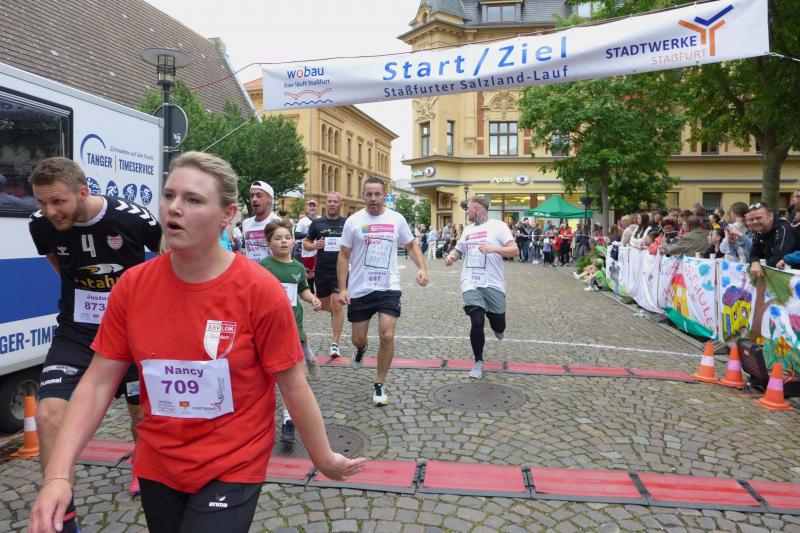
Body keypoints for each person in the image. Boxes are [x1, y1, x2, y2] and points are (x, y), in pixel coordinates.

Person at [29, 152, 365, 533]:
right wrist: (58, 475)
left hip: (232, 465)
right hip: (159, 465)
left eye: (193, 200)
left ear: (227, 215)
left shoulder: (260, 290)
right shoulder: (132, 287)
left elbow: (293, 384)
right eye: (169, 195)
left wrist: (323, 457)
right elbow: (97, 382)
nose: (175, 208)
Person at [28, 157, 162, 515]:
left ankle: (142, 465)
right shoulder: (40, 224)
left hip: (132, 329)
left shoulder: (133, 218)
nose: (50, 211)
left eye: (58, 201)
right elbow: (63, 268)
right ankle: (62, 514)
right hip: (78, 330)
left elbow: (168, 255)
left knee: (140, 412)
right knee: (48, 416)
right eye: (42, 202)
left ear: (83, 192)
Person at [336, 177, 428, 406]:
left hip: (388, 287)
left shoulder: (396, 219)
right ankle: (361, 349)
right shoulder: (353, 221)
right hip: (360, 288)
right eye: (369, 194)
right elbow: (344, 255)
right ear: (363, 196)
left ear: (384, 195)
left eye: (378, 194)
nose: (373, 198)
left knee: (387, 335)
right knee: (358, 338)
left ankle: (379, 382)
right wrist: (343, 288)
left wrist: (422, 268)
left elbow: (411, 245)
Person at [260, 219, 322, 444]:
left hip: (293, 323)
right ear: (269, 244)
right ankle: (308, 352)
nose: (283, 241)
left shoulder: (297, 268)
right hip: (269, 327)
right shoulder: (263, 266)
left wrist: (312, 298)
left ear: (294, 242)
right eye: (277, 238)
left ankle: (288, 420)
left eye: (287, 237)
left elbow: (302, 289)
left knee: (292, 376)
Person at [444, 196, 518, 378]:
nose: (466, 212)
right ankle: (478, 362)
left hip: (493, 283)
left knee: (498, 323)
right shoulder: (468, 230)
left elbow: (514, 250)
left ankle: (498, 329)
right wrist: (452, 257)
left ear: (477, 208)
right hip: (470, 282)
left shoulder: (498, 226)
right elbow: (459, 249)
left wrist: (494, 249)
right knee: (477, 321)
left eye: (468, 208)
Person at [305, 192, 348, 359]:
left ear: (340, 204)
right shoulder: (317, 223)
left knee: (337, 304)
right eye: (329, 201)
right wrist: (315, 245)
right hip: (322, 270)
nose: (331, 204)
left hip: (340, 271)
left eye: (335, 201)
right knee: (322, 305)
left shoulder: (347, 223)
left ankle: (335, 344)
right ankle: (335, 312)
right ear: (326, 203)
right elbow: (306, 243)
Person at [749, 202, 797, 277]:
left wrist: (758, 262)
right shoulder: (759, 230)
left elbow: (777, 260)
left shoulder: (783, 229)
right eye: (751, 219)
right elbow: (753, 254)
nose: (754, 222)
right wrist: (755, 262)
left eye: (758, 218)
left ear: (770, 216)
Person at [241, 180, 281, 262]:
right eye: (252, 196)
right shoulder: (246, 223)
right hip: (251, 269)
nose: (254, 199)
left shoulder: (278, 223)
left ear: (270, 199)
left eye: (259, 195)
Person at [294, 199, 319, 292]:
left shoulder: (321, 219)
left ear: (317, 207)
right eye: (310, 206)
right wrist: (309, 235)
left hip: (319, 250)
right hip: (307, 252)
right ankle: (311, 291)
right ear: (307, 208)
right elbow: (297, 234)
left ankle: (319, 292)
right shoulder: (303, 221)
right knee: (309, 275)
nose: (312, 208)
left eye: (314, 206)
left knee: (319, 272)